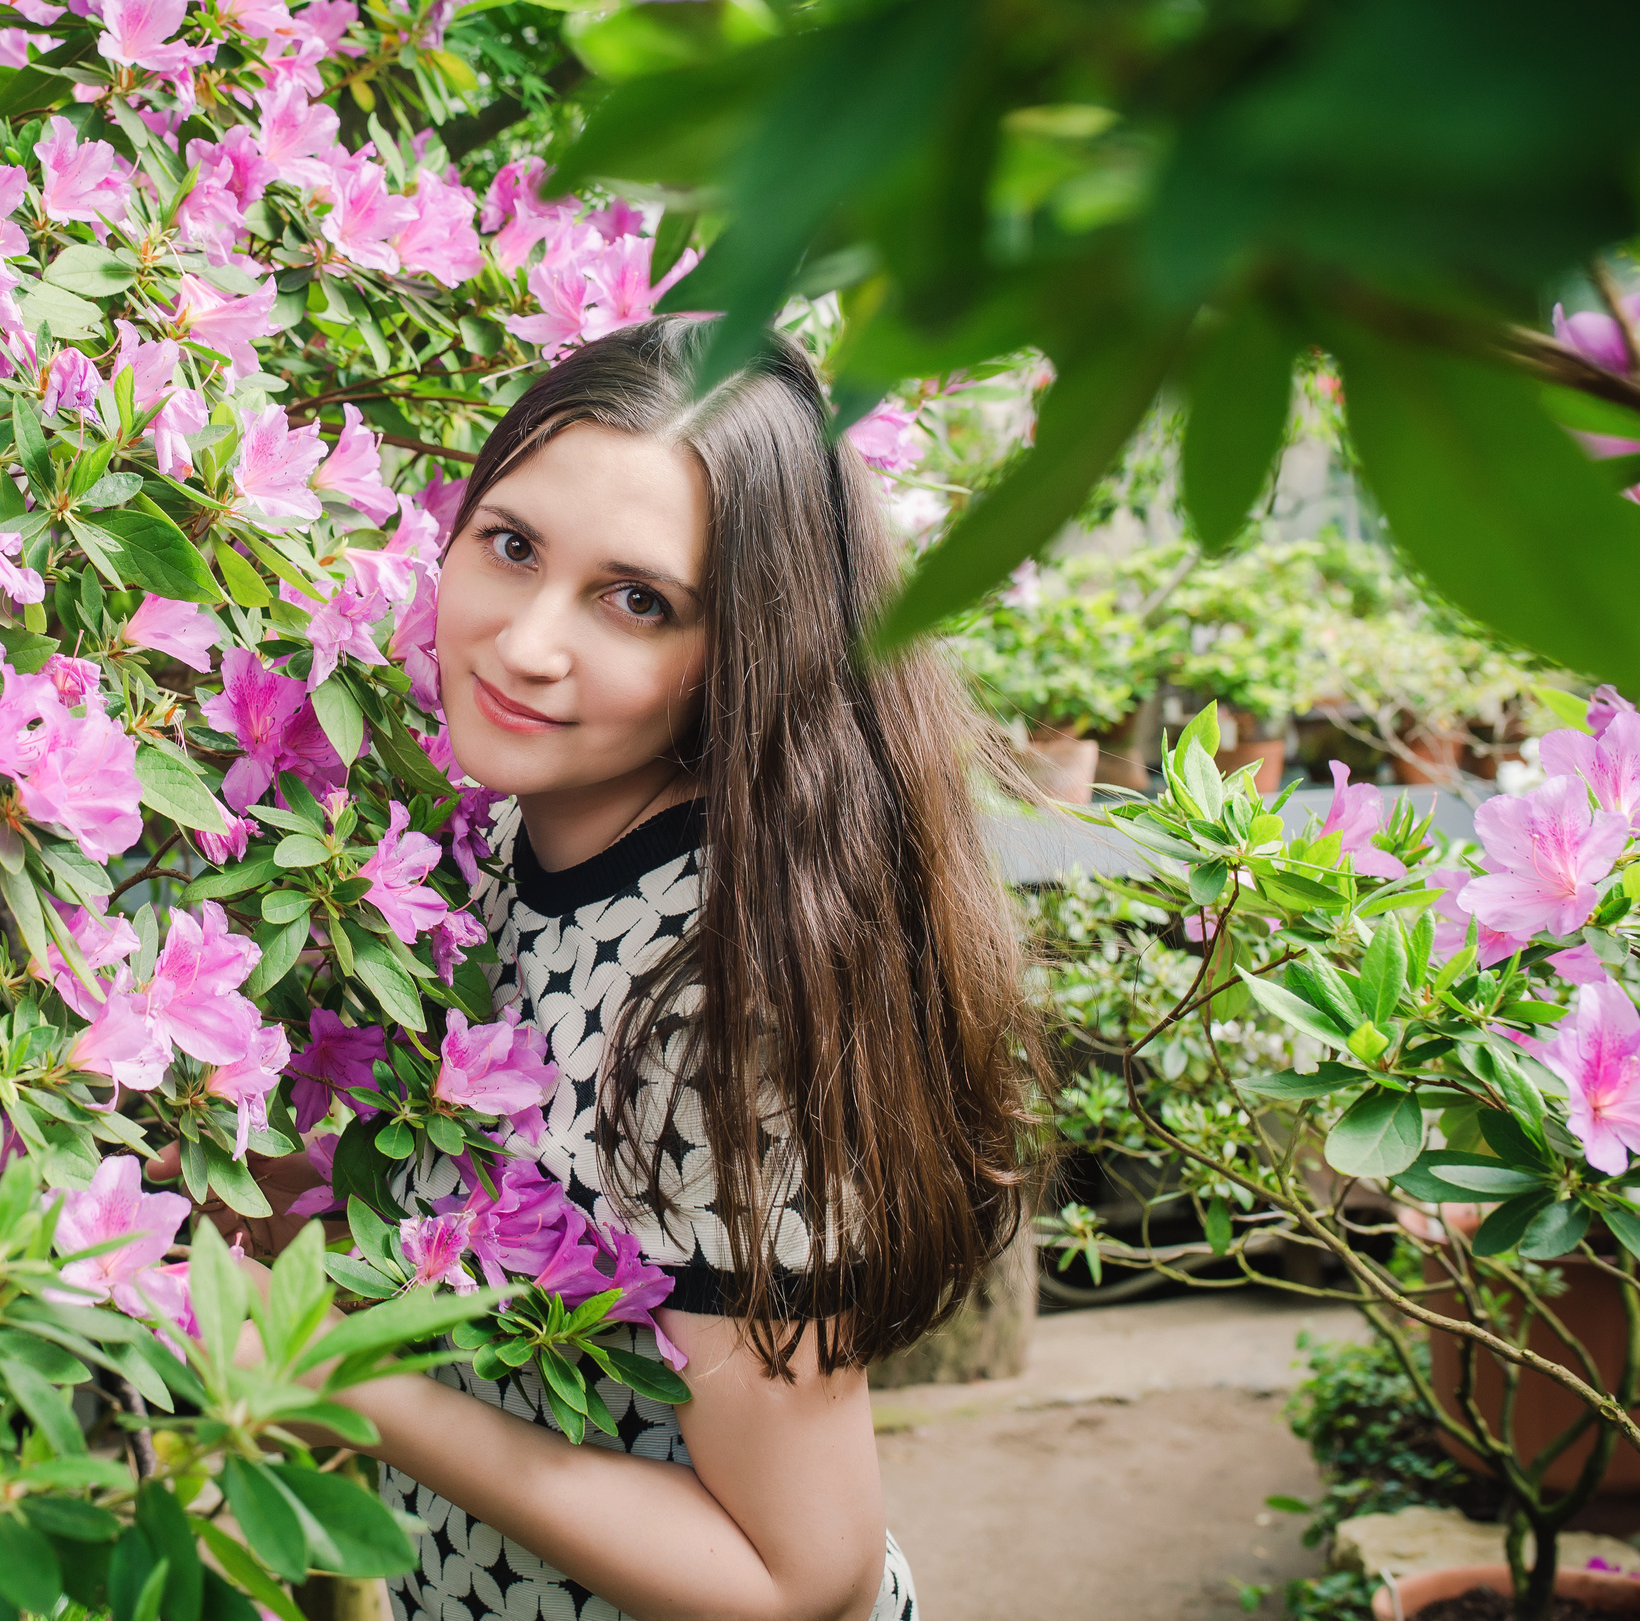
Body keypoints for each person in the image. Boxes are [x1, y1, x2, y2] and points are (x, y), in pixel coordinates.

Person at [187, 317, 1044, 1621]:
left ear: (742, 651)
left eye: (635, 598)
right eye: (514, 544)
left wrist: (325, 1360)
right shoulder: (495, 846)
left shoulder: (729, 996)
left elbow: (795, 1574)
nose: (526, 642)